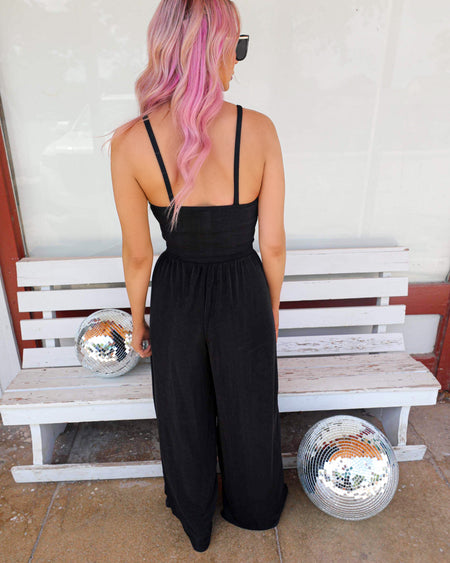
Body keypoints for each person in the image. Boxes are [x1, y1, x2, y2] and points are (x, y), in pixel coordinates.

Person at [109, 0, 288, 553]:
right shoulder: (259, 130)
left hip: (178, 291)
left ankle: (194, 513)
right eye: (237, 46)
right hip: (243, 287)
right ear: (214, 52)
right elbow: (273, 244)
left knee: (182, 407)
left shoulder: (130, 143)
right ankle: (255, 507)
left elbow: (138, 254)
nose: (238, 60)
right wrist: (270, 309)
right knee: (249, 404)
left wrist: (138, 319)